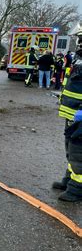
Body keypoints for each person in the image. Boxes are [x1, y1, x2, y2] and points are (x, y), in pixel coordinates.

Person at [52, 28, 82, 202]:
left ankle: (77, 189)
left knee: (79, 151)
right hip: (71, 112)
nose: (79, 41)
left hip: (79, 113)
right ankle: (70, 179)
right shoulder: (78, 57)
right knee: (71, 148)